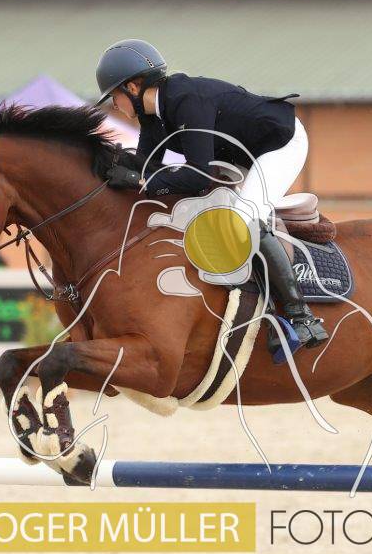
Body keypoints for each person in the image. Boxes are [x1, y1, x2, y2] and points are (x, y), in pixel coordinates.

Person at [94, 38, 328, 348]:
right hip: (240, 155)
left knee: (245, 218)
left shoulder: (185, 99)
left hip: (279, 144)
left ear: (133, 88)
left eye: (114, 97)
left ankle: (302, 318)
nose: (114, 106)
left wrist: (140, 180)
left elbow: (197, 176)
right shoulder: (153, 117)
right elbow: (147, 166)